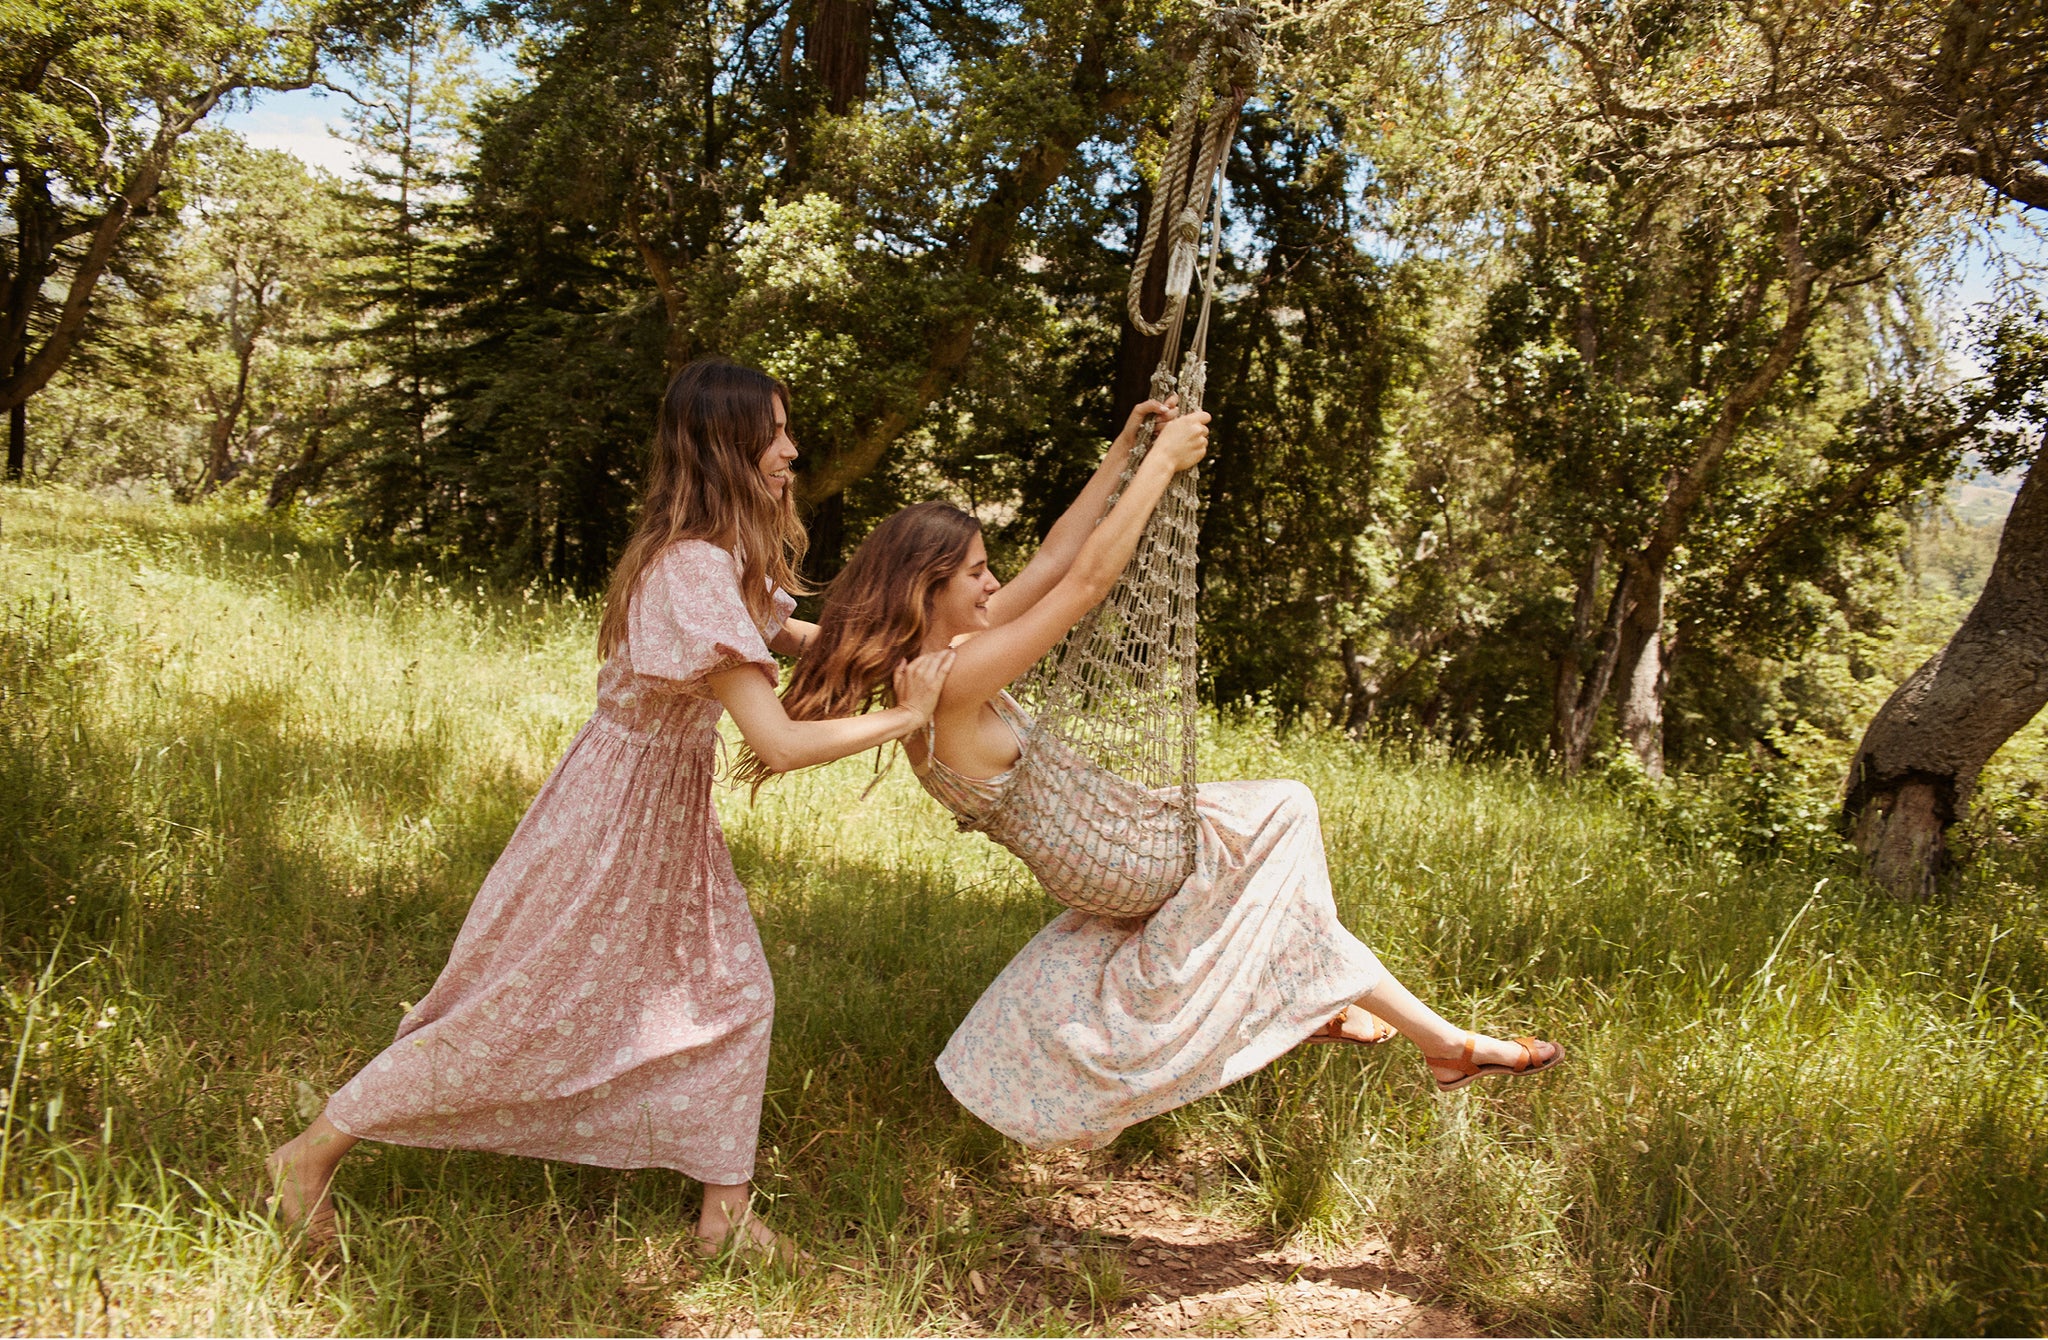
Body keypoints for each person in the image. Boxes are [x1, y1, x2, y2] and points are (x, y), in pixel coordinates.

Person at [264, 359, 954, 1256]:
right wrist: (907, 714)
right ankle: (310, 1153)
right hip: (612, 818)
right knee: (516, 1008)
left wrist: (908, 653)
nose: (791, 448)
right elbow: (777, 743)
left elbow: (793, 638)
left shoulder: (724, 562)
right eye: (773, 433)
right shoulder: (691, 569)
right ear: (726, 448)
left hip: (665, 811)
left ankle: (725, 1215)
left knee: (734, 995)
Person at [757, 399, 1559, 1151]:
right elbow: (1085, 583)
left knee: (1284, 894)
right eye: (974, 572)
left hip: (1116, 829)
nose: (994, 584)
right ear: (924, 587)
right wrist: (1163, 463)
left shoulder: (936, 660)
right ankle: (1292, 996)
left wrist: (1124, 450)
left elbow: (1055, 554)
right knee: (1284, 808)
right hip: (1121, 856)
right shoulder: (953, 685)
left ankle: (1440, 1045)